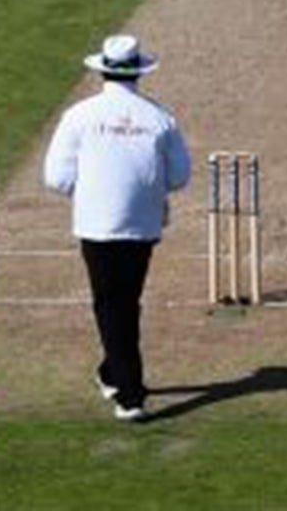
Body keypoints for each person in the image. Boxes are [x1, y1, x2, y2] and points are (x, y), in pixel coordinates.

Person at [41, 34, 192, 422]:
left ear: (102, 71)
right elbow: (179, 177)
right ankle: (111, 372)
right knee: (123, 302)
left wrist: (95, 192)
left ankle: (130, 395)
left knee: (113, 305)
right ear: (138, 73)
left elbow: (56, 177)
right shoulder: (159, 117)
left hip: (96, 224)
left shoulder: (80, 115)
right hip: (143, 223)